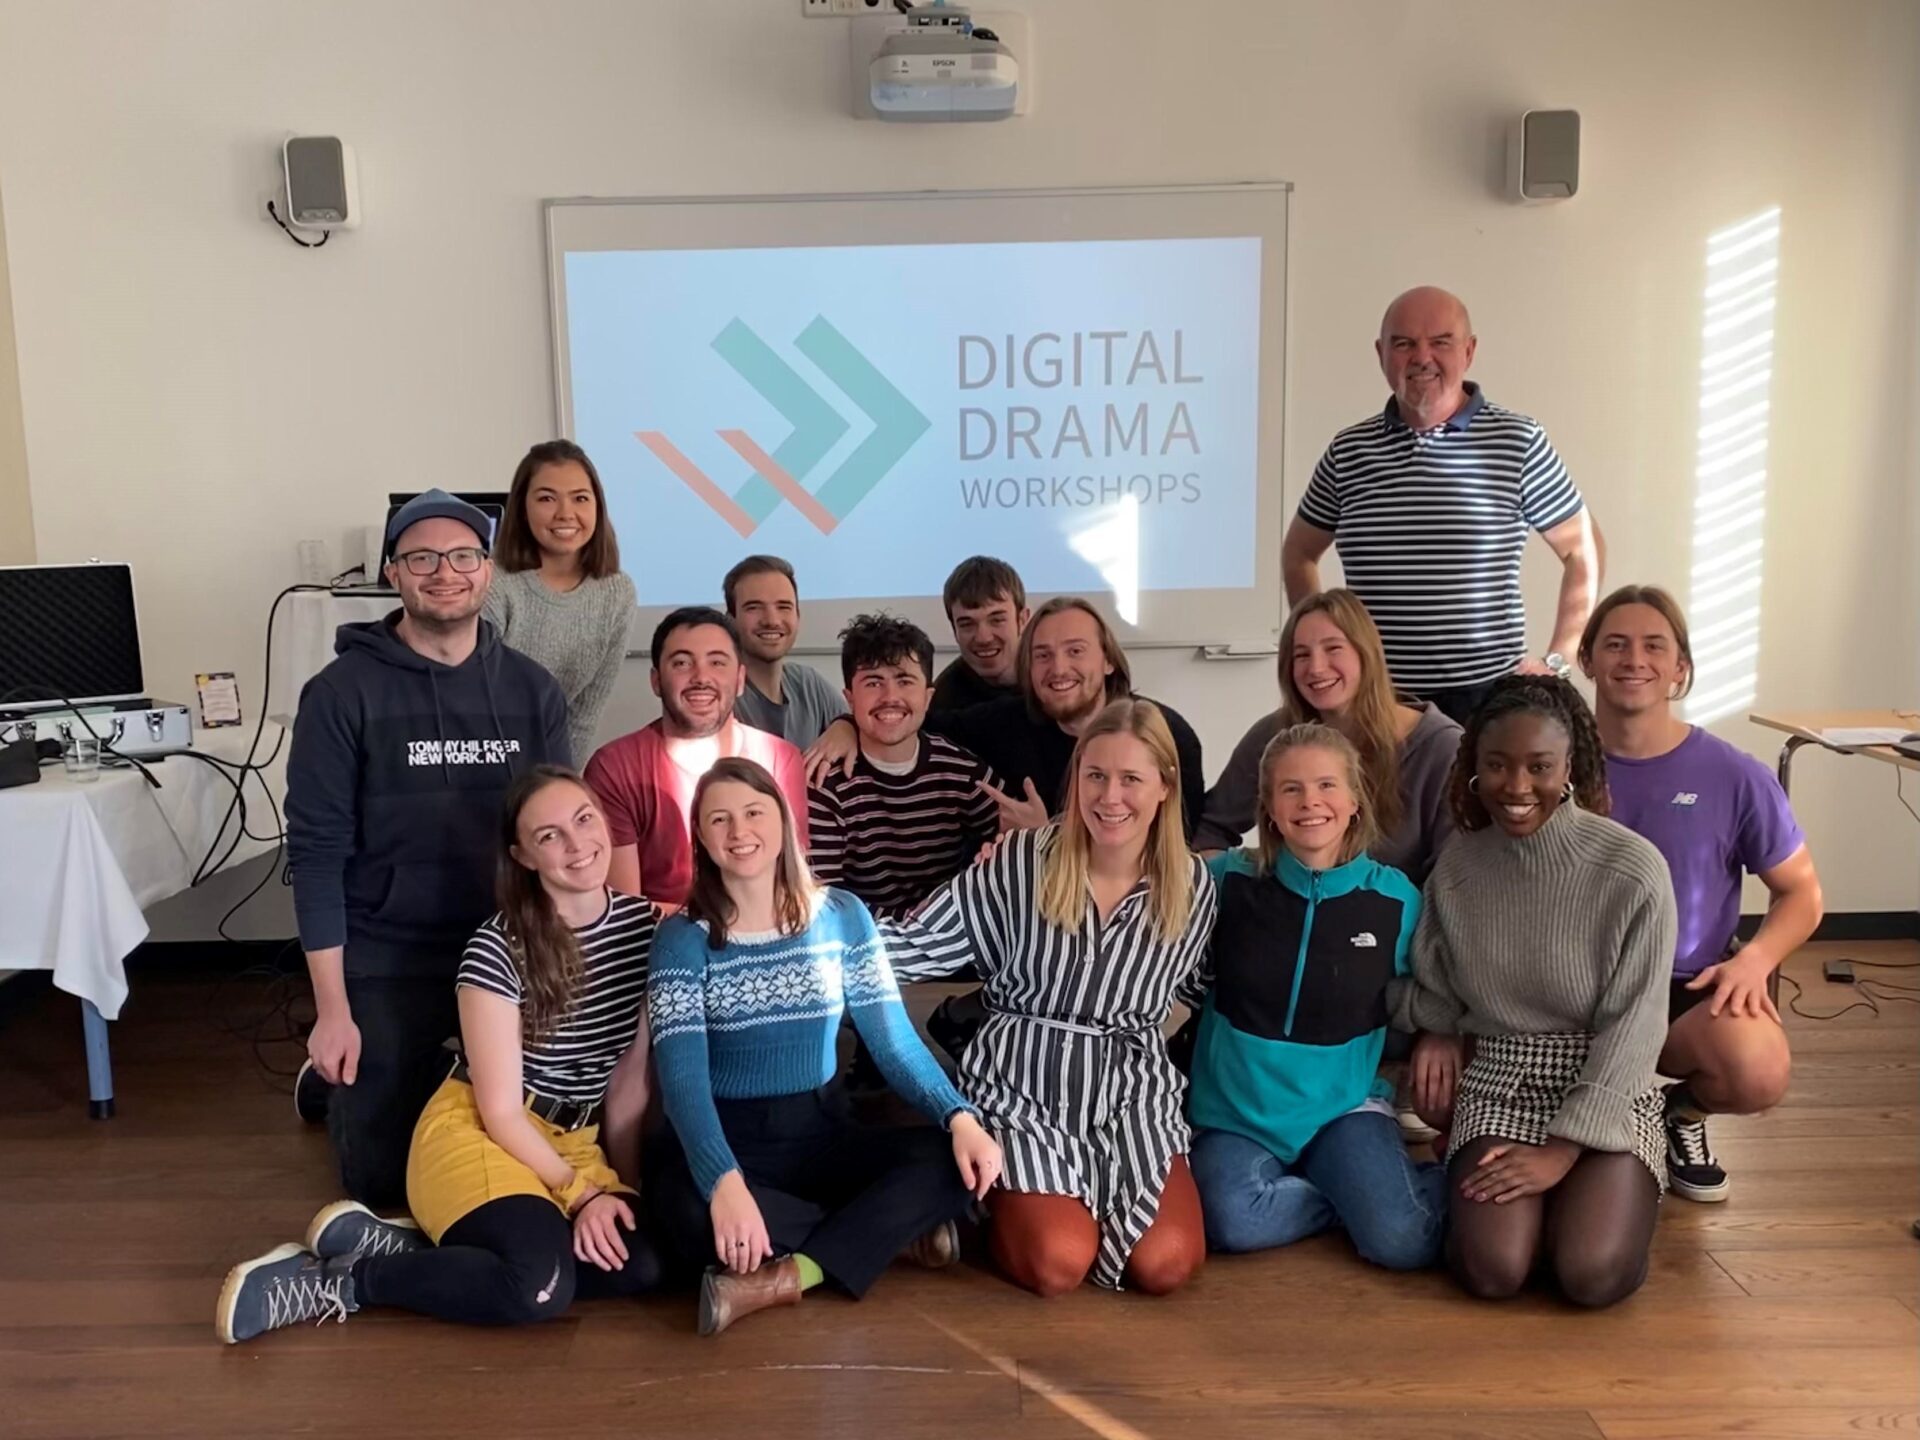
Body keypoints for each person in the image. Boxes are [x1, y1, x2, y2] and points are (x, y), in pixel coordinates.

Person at [219, 766, 665, 1342]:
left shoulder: (648, 929)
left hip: (574, 1141)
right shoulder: (497, 948)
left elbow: (628, 1082)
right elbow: (500, 1110)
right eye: (549, 835)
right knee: (537, 1285)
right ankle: (343, 1280)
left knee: (646, 1260)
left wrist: (618, 1192)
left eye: (584, 820)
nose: (577, 844)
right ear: (523, 856)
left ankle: (427, 1243)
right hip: (482, 1130)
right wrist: (579, 1196)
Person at [646, 758, 1001, 1336]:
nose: (740, 833)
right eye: (720, 820)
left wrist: (957, 1114)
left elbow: (892, 1040)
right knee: (686, 1216)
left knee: (949, 1161)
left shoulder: (841, 915)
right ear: (702, 838)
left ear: (784, 820)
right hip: (732, 1137)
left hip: (823, 1129)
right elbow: (683, 1084)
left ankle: (791, 1275)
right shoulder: (681, 939)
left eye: (754, 812)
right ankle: (884, 1237)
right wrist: (724, 1182)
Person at [286, 489, 571, 1207]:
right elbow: (317, 855)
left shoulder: (533, 691)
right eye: (421, 557)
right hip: (387, 954)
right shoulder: (340, 694)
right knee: (381, 1187)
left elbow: (557, 832)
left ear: (487, 570)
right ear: (393, 571)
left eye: (462, 556)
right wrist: (332, 1008)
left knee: (524, 1148)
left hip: (506, 948)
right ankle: (335, 1069)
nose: (443, 572)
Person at [883, 700, 1218, 1297]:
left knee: (1165, 1264)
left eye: (1131, 779)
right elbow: (917, 942)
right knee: (1059, 1263)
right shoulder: (1020, 861)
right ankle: (975, 1208)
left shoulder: (1193, 885)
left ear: (1165, 786)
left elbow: (1206, 985)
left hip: (1130, 1083)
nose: (1109, 797)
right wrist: (806, 931)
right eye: (1095, 775)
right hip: (1025, 1076)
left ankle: (1033, 1201)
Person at [1394, 677, 1677, 1308]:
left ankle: (1610, 1192)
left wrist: (1562, 1149)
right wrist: (1434, 1027)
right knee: (1493, 1272)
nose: (1517, 788)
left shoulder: (1633, 869)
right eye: (1497, 765)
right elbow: (1435, 980)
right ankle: (1535, 1208)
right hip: (1502, 1076)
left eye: (1539, 767)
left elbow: (1635, 1026)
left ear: (1570, 766)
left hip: (1607, 1078)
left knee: (1591, 1275)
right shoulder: (1459, 868)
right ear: (1474, 767)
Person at [1580, 585, 1821, 1203]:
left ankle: (1679, 1114)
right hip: (1569, 987)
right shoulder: (1553, 762)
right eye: (1616, 644)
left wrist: (1756, 960)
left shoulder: (1733, 774)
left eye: (1653, 645)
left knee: (1758, 1069)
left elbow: (1801, 894)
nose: (1634, 659)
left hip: (1681, 987)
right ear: (1586, 660)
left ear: (1679, 668)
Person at [1280, 286, 1604, 725]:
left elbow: (1583, 549)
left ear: (1468, 351)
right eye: (1404, 343)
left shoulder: (1518, 441)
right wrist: (1324, 650)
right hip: (1378, 701)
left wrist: (1559, 661)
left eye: (1440, 342)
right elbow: (1299, 553)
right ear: (1381, 354)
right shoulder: (1349, 452)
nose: (1421, 357)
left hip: (1488, 703)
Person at [1188, 724, 1443, 1270]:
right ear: (1269, 808)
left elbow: (1441, 987)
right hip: (1236, 1113)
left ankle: (1382, 1197)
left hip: (1342, 1109)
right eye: (1291, 789)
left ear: (1355, 800)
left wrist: (1439, 1033)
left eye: (1327, 785)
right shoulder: (1224, 882)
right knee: (1228, 1220)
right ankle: (1348, 1202)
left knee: (1404, 1242)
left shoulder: (1396, 899)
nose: (1311, 803)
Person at [811, 596, 1206, 841]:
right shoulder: (1004, 723)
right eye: (1043, 655)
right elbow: (905, 719)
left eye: (1075, 651)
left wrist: (1043, 837)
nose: (1058, 668)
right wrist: (844, 724)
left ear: (1107, 660)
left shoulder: (1165, 734)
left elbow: (1174, 853)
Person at [1196, 588, 1461, 882]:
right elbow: (1209, 831)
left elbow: (1452, 878)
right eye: (1301, 655)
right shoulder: (1274, 737)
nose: (1317, 668)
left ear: (1366, 653)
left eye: (1333, 649)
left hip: (1401, 923)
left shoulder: (1444, 748)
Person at [584, 607, 809, 910]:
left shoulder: (781, 760)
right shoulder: (614, 768)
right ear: (656, 681)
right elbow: (625, 915)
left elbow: (790, 885)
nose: (701, 677)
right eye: (682, 663)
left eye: (717, 662)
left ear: (741, 678)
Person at [807, 612, 1000, 919]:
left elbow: (1009, 842)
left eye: (905, 680)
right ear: (849, 698)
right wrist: (910, 921)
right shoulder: (826, 784)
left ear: (928, 697)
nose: (890, 697)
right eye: (873, 682)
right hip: (865, 944)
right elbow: (822, 897)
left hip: (954, 939)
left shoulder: (961, 771)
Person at [484, 439, 637, 763]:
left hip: (551, 769)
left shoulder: (617, 593)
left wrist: (562, 787)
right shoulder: (493, 584)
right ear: (522, 507)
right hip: (484, 760)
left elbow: (584, 715)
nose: (565, 514)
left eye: (580, 498)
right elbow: (475, 701)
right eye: (546, 498)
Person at [723, 555, 848, 749]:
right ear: (731, 619)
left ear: (797, 615)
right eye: (754, 607)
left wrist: (847, 727)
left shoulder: (809, 684)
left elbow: (861, 725)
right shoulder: (719, 694)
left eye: (783, 607)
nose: (772, 620)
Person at [930, 555, 1031, 717]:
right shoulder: (941, 706)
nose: (984, 638)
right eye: (967, 624)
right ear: (954, 628)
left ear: (1022, 619)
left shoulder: (1055, 680)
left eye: (997, 620)